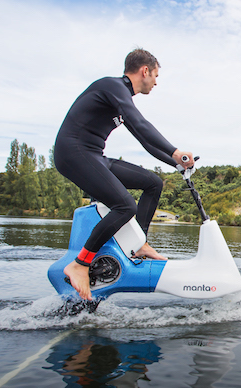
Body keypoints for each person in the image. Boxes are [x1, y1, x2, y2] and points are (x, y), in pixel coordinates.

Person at [54, 48, 194, 301]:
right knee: (125, 206)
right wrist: (176, 152)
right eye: (156, 76)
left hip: (94, 155)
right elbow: (141, 124)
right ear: (145, 70)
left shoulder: (120, 98)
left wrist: (176, 164)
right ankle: (80, 264)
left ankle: (138, 244)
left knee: (152, 183)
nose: (156, 82)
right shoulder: (112, 86)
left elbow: (144, 140)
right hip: (73, 152)